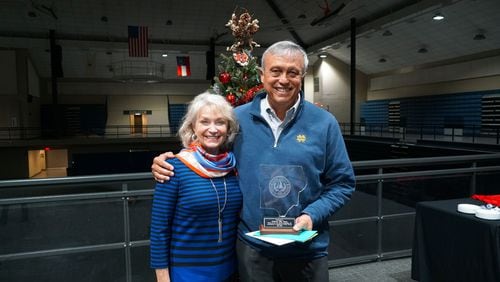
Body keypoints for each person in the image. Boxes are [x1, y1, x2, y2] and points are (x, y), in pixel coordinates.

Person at [152, 40, 355, 282]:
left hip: (307, 251)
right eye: (276, 71)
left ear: (302, 76)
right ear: (262, 75)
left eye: (293, 72)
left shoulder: (324, 122)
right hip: (253, 252)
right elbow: (208, 151)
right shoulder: (237, 119)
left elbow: (343, 184)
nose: (283, 80)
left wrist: (312, 215)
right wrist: (167, 160)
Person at [150, 92, 242, 282]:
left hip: (230, 270)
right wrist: (162, 277)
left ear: (228, 128)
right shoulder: (174, 168)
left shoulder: (233, 167)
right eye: (205, 122)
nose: (213, 129)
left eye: (220, 122)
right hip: (187, 273)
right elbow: (159, 229)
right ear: (193, 126)